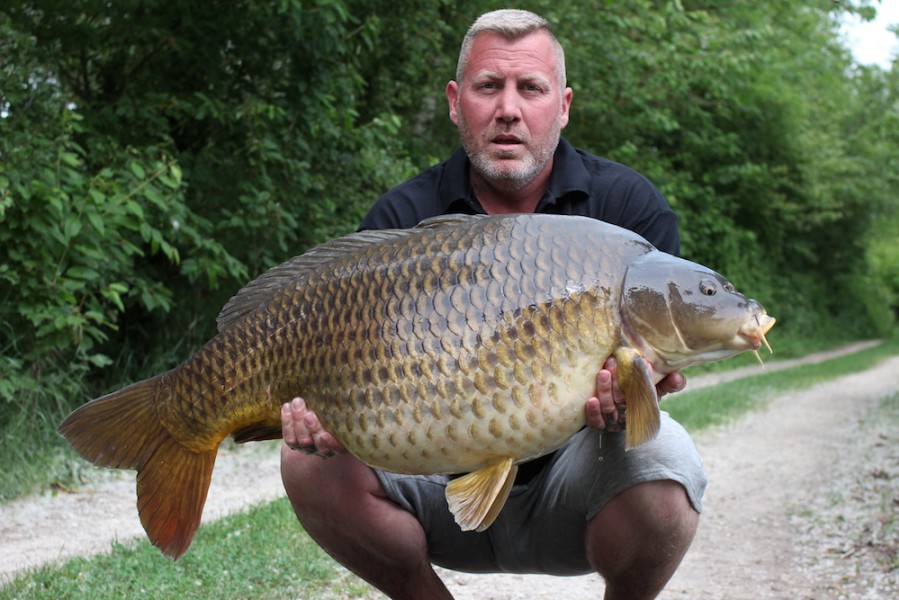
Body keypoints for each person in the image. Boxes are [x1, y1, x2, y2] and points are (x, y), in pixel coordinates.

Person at [280, 9, 706, 600]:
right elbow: (343, 373)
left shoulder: (627, 209)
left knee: (666, 457)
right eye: (488, 87)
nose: (509, 109)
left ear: (562, 105)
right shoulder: (404, 220)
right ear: (457, 102)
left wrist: (639, 392)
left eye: (530, 88)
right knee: (307, 464)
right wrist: (322, 417)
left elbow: (652, 377)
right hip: (430, 487)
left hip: (578, 495)